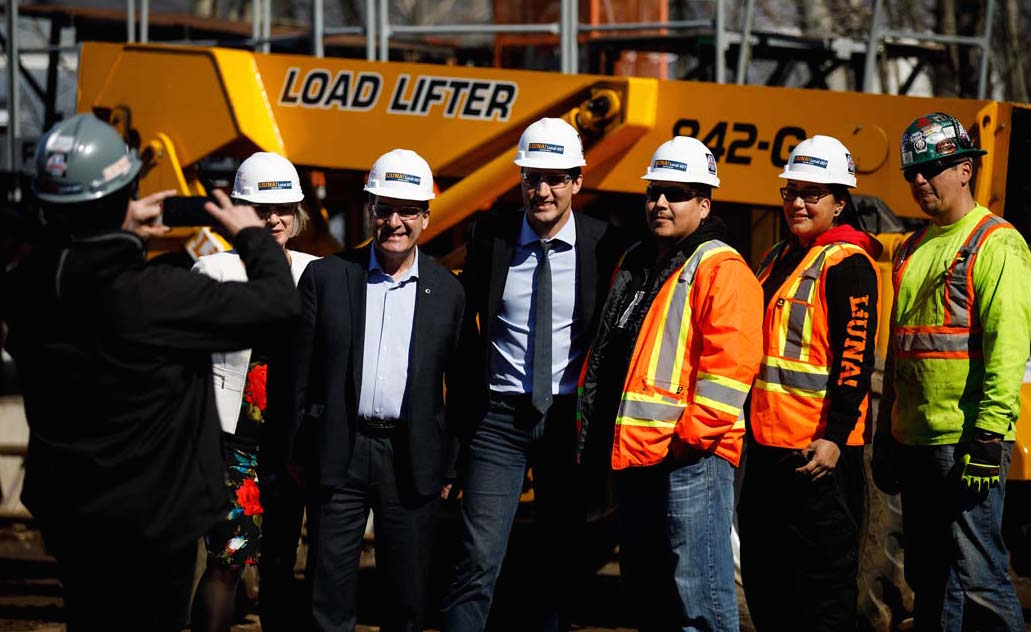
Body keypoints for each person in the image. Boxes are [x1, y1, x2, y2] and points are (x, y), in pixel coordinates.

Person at [0, 113, 299, 631]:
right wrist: (249, 236)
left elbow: (59, 249)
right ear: (122, 197)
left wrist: (119, 230)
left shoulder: (28, 287)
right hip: (151, 518)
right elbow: (277, 305)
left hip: (69, 510)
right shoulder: (156, 297)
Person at [577, 136, 762, 631]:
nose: (660, 202)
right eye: (654, 191)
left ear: (704, 204)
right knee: (649, 596)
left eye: (677, 194)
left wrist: (691, 442)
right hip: (640, 457)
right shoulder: (639, 262)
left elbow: (730, 369)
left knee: (700, 600)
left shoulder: (721, 267)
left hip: (691, 460)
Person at [441, 117, 619, 632]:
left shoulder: (604, 243)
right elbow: (464, 330)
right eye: (532, 178)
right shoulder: (492, 237)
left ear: (577, 182)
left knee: (562, 561)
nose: (542, 191)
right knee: (477, 557)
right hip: (499, 420)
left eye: (555, 179)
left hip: (567, 419)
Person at [279, 148, 464, 632]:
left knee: (405, 600)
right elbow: (298, 373)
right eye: (384, 208)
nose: (395, 221)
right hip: (339, 449)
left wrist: (450, 463)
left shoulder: (448, 291)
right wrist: (297, 448)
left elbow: (463, 385)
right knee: (329, 592)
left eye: (407, 210)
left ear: (425, 215)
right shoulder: (327, 277)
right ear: (370, 210)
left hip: (410, 456)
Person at [872, 112, 1031, 631]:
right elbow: (900, 351)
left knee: (980, 576)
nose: (920, 180)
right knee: (930, 578)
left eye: (933, 167)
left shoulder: (996, 242)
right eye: (912, 172)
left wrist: (990, 434)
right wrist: (887, 433)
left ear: (965, 169)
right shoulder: (914, 248)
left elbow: (1008, 349)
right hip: (917, 440)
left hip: (966, 442)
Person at [736, 135, 881, 630]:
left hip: (816, 458)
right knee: (766, 584)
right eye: (790, 191)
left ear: (840, 201)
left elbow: (855, 359)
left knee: (820, 596)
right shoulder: (778, 257)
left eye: (812, 193)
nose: (797, 202)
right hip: (765, 451)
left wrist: (835, 437)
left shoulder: (848, 264)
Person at [190, 152, 318, 632]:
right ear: (241, 212)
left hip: (291, 445)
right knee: (227, 561)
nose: (273, 218)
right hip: (234, 444)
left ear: (296, 212)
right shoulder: (215, 271)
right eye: (262, 209)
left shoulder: (316, 272)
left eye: (283, 208)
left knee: (281, 566)